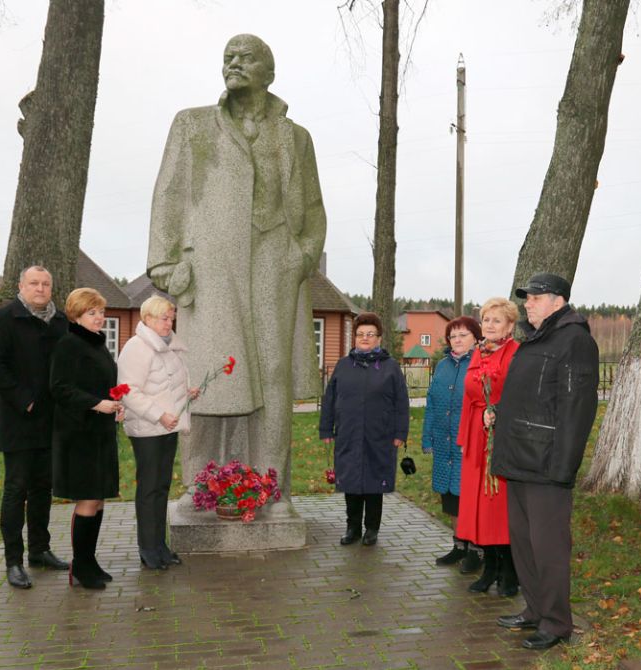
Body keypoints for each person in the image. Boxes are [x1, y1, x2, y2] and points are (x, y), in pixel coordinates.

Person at [147, 34, 327, 509]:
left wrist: (300, 257)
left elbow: (312, 207)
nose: (233, 63)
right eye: (228, 57)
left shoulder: (295, 137)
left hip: (274, 260)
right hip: (211, 263)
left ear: (268, 72)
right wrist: (166, 261)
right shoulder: (193, 125)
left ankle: (272, 487)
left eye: (246, 58)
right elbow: (168, 192)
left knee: (272, 373)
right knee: (208, 375)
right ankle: (199, 485)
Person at [492, 273, 599, 651]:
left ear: (559, 301)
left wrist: (563, 468)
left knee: (549, 547)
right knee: (523, 543)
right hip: (519, 462)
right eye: (528, 298)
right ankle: (535, 609)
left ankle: (556, 623)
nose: (528, 303)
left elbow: (578, 410)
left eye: (536, 297)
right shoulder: (536, 339)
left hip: (547, 466)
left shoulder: (575, 341)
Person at [0, 266, 69, 589]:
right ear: (21, 286)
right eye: (34, 283)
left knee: (42, 489)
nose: (41, 288)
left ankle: (40, 550)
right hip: (19, 420)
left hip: (52, 422)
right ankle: (14, 561)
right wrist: (24, 399)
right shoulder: (4, 318)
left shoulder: (61, 323)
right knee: (16, 489)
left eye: (46, 283)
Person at [49, 288, 124, 590]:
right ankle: (80, 566)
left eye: (101, 312)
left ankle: (89, 561)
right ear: (77, 315)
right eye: (92, 312)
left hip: (100, 431)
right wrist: (96, 403)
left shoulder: (97, 346)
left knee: (99, 497)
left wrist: (114, 404)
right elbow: (59, 387)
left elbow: (102, 385)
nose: (100, 317)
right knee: (88, 498)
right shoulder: (69, 344)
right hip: (78, 434)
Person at [117, 296, 199, 569]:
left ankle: (159, 545)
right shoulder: (137, 348)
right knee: (149, 489)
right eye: (164, 318)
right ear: (148, 319)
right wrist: (158, 414)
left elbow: (168, 384)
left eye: (171, 317)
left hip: (168, 426)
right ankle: (147, 548)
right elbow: (128, 392)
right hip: (148, 429)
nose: (169, 322)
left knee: (162, 487)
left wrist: (187, 392)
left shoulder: (169, 347)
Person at [319, 312, 410, 546]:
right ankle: (352, 528)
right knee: (351, 482)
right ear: (354, 338)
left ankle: (371, 529)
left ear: (379, 337)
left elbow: (401, 402)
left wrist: (400, 433)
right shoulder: (343, 366)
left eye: (370, 334)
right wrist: (326, 430)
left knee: (373, 483)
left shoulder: (390, 368)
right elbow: (329, 399)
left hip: (379, 436)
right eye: (360, 334)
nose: (365, 338)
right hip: (348, 434)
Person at [455, 298, 520, 597]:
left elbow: (519, 393)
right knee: (480, 507)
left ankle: (510, 571)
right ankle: (490, 567)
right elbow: (470, 394)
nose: (490, 325)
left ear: (509, 325)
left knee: (498, 507)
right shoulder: (478, 352)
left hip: (501, 438)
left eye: (496, 320)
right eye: (486, 319)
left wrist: (498, 411)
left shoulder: (516, 353)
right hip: (477, 438)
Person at [422, 316, 483, 573]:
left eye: (463, 335)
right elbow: (432, 402)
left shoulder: (480, 364)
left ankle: (476, 550)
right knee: (450, 498)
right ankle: (458, 545)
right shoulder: (443, 366)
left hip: (468, 444)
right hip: (444, 442)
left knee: (469, 497)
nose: (456, 340)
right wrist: (428, 437)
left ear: (476, 338)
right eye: (453, 336)